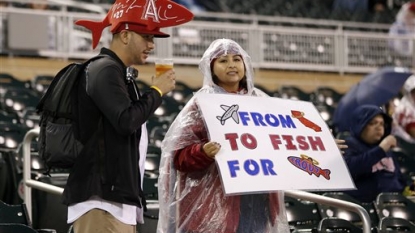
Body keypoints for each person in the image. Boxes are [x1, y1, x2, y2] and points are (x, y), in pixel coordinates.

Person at [62, 0, 193, 232]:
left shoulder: (120, 72)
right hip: (101, 203)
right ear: (124, 35)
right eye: (147, 37)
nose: (151, 45)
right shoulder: (104, 69)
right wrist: (157, 91)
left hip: (114, 202)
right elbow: (126, 121)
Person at [156, 38, 290, 233]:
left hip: (258, 203)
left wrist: (321, 144)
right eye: (223, 60)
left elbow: (285, 142)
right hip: (218, 205)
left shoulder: (261, 101)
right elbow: (178, 158)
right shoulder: (200, 104)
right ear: (211, 67)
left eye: (237, 59)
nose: (232, 65)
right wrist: (202, 152)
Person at [343, 104, 406, 203]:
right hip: (364, 207)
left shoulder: (386, 149)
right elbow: (350, 170)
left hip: (394, 203)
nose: (379, 127)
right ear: (360, 124)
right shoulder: (348, 145)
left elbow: (398, 178)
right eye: (372, 123)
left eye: (381, 124)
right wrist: (381, 149)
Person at [392, 75, 415, 144]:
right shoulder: (405, 108)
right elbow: (412, 131)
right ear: (408, 93)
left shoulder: (411, 105)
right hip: (406, 146)